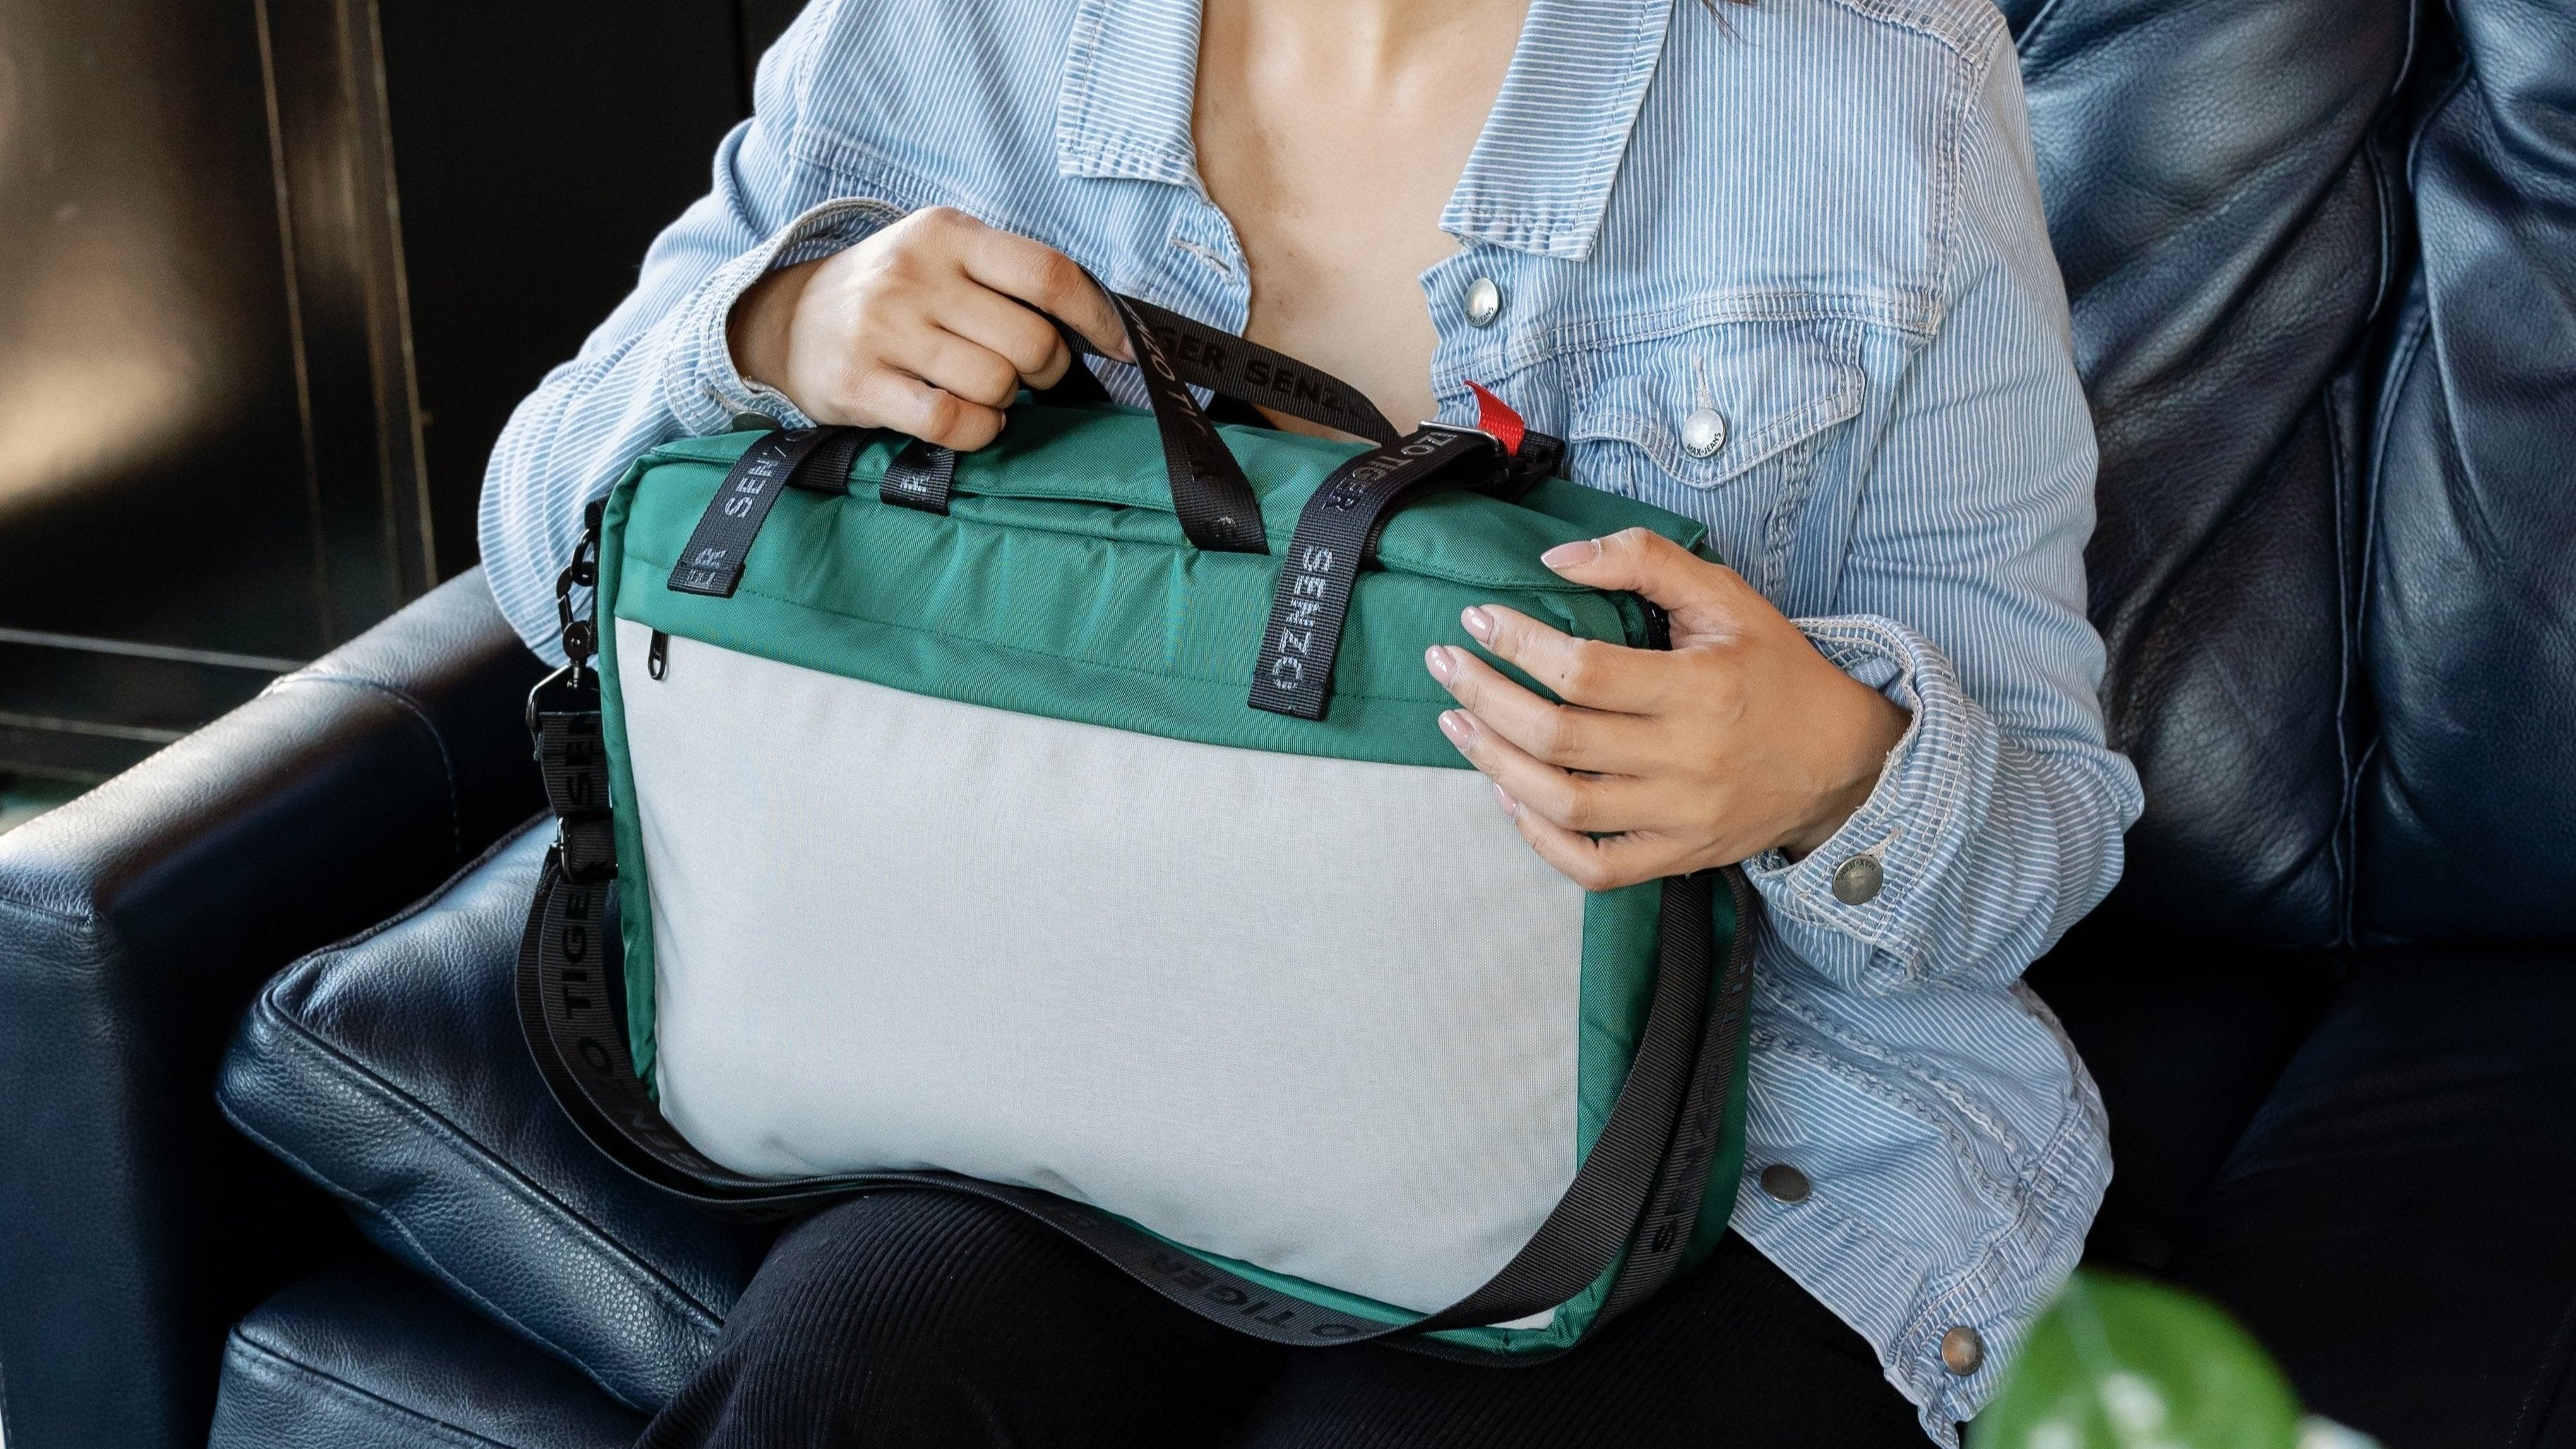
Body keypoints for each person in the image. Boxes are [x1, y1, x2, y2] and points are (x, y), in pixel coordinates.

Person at [479, 0, 2142, 1442]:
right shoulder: (928, 40)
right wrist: (770, 337)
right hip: (1067, 1061)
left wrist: (1827, 775)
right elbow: (538, 526)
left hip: (1719, 1139)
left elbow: (2045, 826)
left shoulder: (1879, 82)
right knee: (840, 1389)